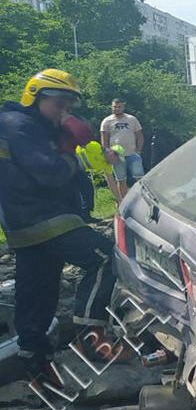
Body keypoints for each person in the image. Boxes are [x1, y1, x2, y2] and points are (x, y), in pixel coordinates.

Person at [0, 69, 121, 383]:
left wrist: (69, 135)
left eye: (68, 105)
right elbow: (50, 172)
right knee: (106, 257)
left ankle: (35, 364)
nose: (63, 111)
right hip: (44, 218)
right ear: (34, 97)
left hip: (25, 224)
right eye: (59, 104)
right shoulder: (20, 126)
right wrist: (75, 158)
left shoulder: (23, 125)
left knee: (38, 292)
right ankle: (90, 337)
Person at [100, 98, 143, 196]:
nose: (117, 109)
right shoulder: (107, 121)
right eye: (115, 107)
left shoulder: (132, 119)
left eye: (119, 107)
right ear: (112, 107)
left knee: (140, 178)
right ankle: (123, 201)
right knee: (121, 179)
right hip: (116, 155)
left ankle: (142, 199)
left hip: (132, 153)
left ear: (123, 107)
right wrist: (107, 153)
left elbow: (139, 135)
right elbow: (104, 140)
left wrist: (138, 150)